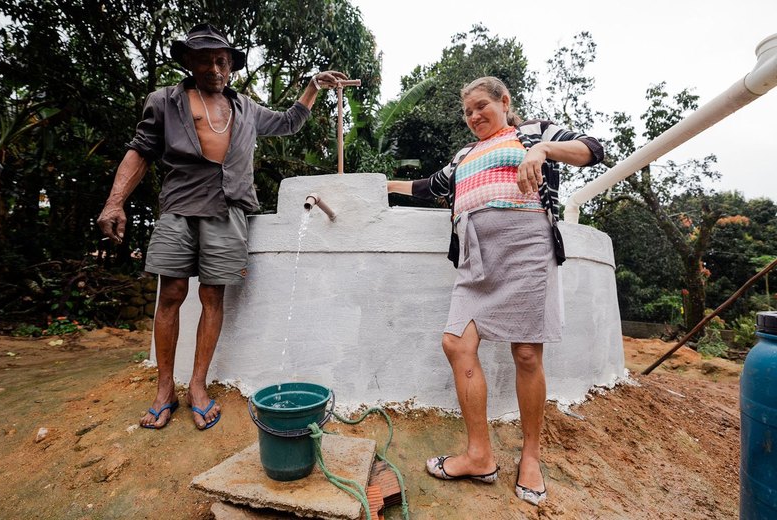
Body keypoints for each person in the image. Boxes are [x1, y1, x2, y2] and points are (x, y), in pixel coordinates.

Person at [97, 23, 347, 430]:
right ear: (189, 63)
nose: (214, 68)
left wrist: (313, 87)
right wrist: (115, 201)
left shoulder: (246, 107)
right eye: (205, 60)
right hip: (179, 207)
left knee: (213, 296)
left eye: (221, 60)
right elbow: (139, 151)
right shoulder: (165, 102)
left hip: (228, 209)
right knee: (172, 293)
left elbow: (288, 122)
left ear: (230, 65)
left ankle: (198, 386)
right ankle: (164, 390)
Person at [387, 76, 603, 505]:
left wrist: (541, 150)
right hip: (475, 257)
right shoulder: (464, 154)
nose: (473, 117)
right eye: (467, 112)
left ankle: (531, 457)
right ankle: (479, 454)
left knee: (526, 354)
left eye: (481, 106)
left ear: (504, 101)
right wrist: (383, 186)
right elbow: (431, 187)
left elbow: (593, 149)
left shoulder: (533, 133)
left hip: (526, 250)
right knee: (456, 343)